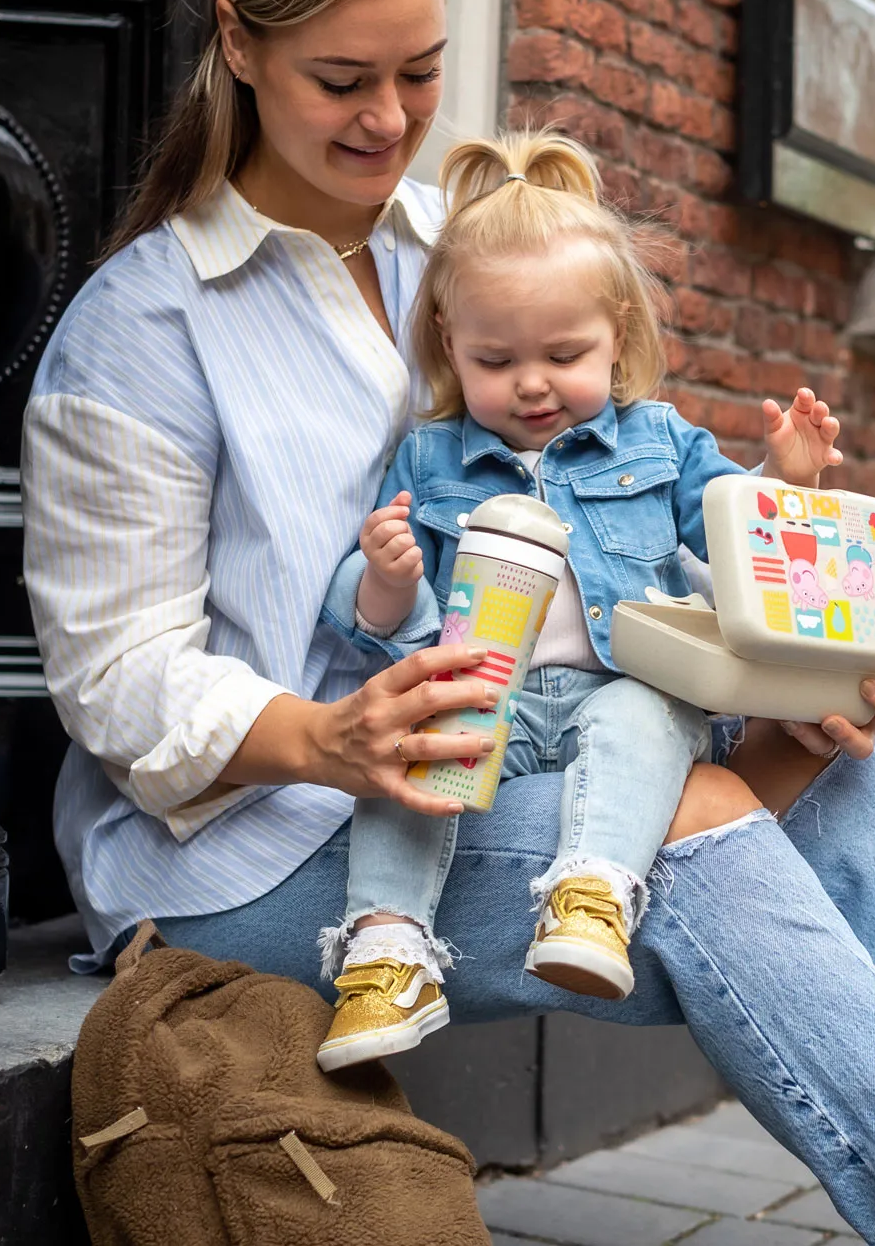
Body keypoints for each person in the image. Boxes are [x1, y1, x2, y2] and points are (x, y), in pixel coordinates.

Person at [19, 0, 875, 1242]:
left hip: (516, 743)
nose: (388, 117)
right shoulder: (144, 329)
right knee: (694, 822)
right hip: (256, 848)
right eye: (343, 79)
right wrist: (330, 737)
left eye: (420, 72)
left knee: (827, 768)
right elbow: (116, 683)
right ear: (240, 43)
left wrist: (772, 669)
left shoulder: (472, 250)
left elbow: (617, 515)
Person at [313, 129, 844, 1071]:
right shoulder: (429, 459)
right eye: (493, 360)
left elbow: (739, 542)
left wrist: (782, 482)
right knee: (417, 743)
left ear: (619, 335)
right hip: (490, 694)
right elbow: (364, 611)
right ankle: (386, 952)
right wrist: (388, 579)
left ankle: (592, 897)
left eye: (564, 354)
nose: (531, 384)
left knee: (649, 714)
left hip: (620, 686)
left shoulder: (658, 442)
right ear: (448, 342)